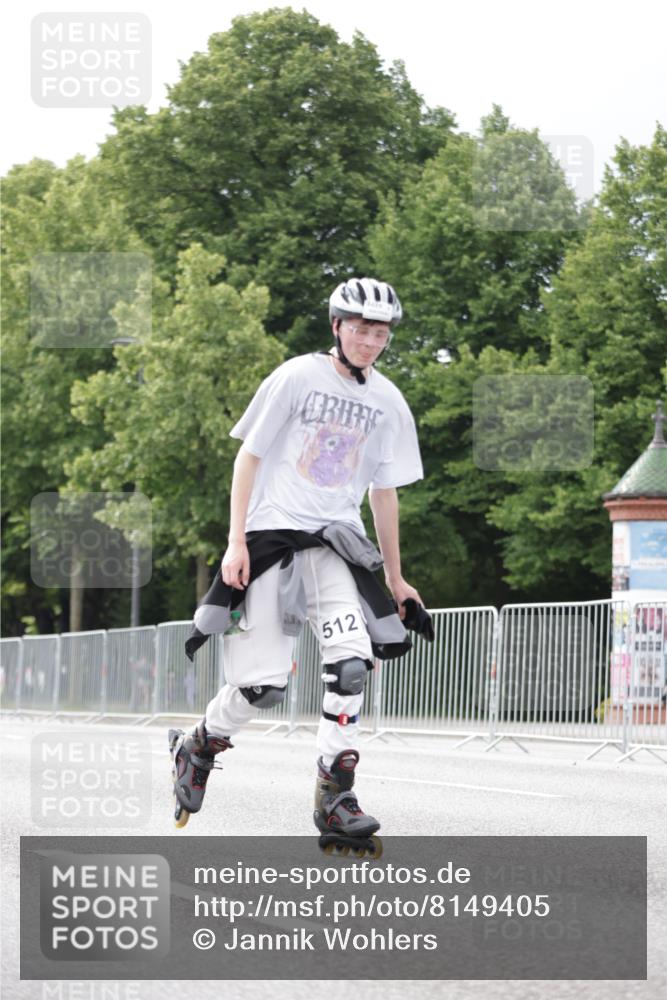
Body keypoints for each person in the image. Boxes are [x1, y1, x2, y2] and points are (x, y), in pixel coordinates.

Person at [170, 277, 433, 848]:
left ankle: (335, 794)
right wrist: (235, 541)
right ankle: (200, 742)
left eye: (380, 332)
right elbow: (250, 456)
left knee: (352, 666)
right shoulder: (296, 376)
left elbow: (384, 492)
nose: (370, 340)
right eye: (360, 329)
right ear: (337, 327)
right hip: (272, 539)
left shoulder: (388, 401)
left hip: (337, 544)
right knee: (262, 688)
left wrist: (394, 575)